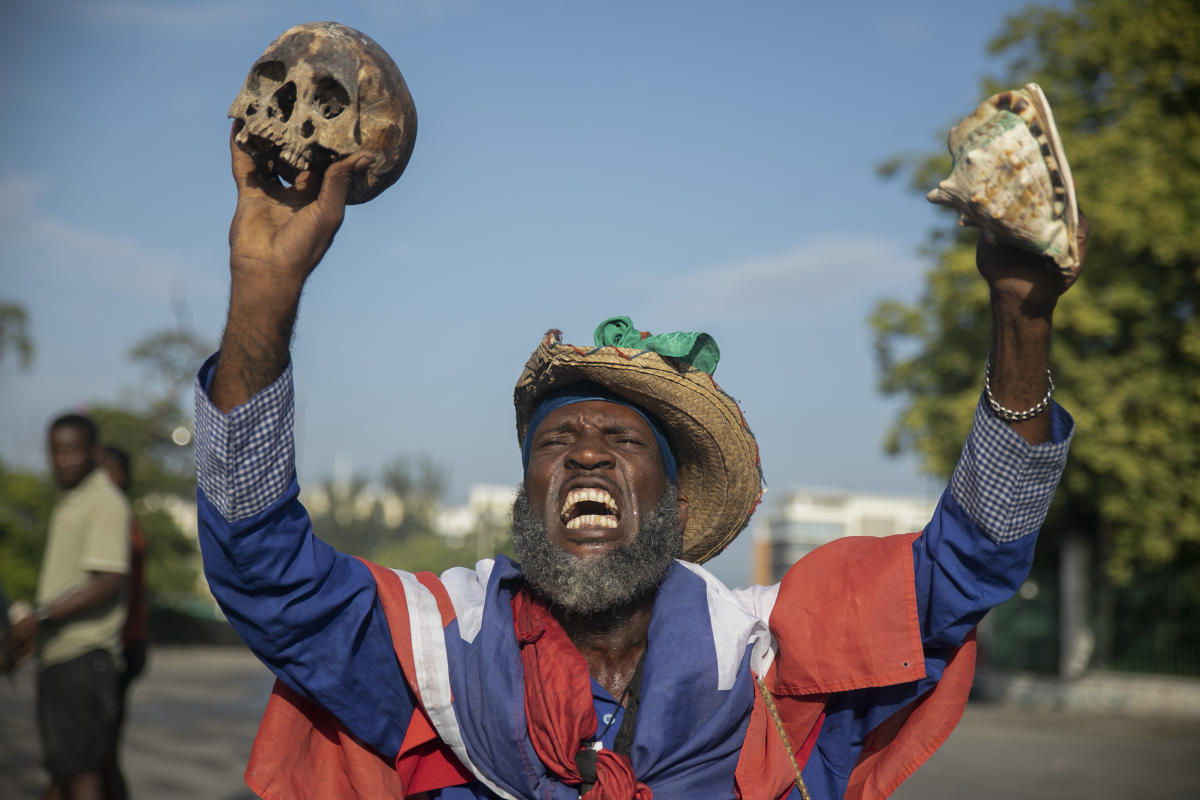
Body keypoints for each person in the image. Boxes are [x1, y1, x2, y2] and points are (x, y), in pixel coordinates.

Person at [194, 123, 1085, 799]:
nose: (584, 452)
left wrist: (1020, 318)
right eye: (555, 443)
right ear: (526, 495)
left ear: (676, 506)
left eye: (622, 442)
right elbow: (258, 562)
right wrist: (263, 292)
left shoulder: (778, 667)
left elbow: (972, 559)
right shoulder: (431, 656)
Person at [10, 414, 131, 800]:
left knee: (83, 775)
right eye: (55, 451)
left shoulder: (105, 500)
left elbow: (109, 580)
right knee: (62, 773)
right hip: (57, 656)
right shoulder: (71, 499)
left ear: (93, 452)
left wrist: (39, 619)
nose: (62, 460)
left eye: (72, 451)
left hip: (84, 658)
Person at [100, 446, 148, 800]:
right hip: (120, 643)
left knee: (98, 753)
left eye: (105, 468)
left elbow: (117, 589)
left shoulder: (119, 520)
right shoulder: (114, 516)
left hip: (119, 644)